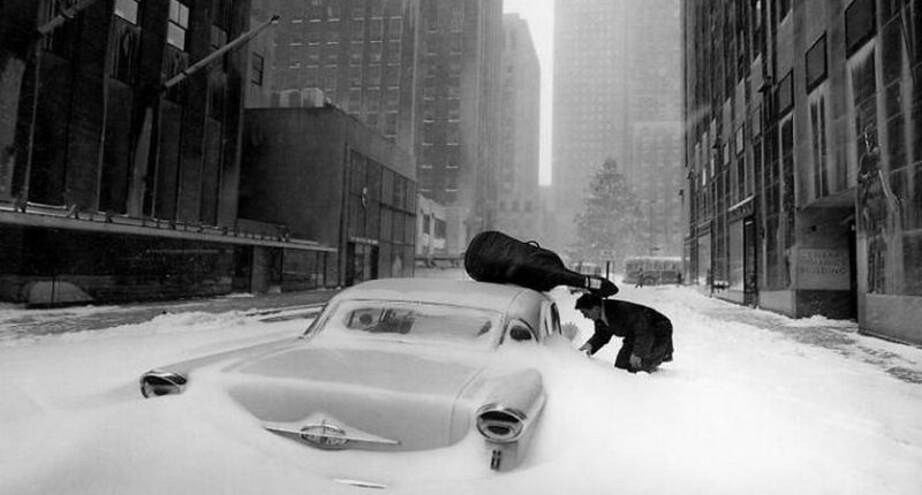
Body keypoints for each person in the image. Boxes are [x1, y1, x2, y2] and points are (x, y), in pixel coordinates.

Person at [575, 293, 674, 373]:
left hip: (657, 329)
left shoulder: (621, 309)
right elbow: (602, 335)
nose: (585, 316)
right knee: (621, 367)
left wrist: (638, 353)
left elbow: (644, 329)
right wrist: (590, 345)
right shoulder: (600, 317)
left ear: (596, 308)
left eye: (585, 313)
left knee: (639, 367)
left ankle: (658, 376)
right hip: (635, 335)